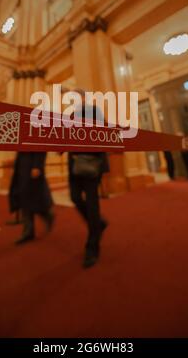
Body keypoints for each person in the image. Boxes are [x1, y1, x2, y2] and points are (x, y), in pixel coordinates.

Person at [68, 90, 110, 268]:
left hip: (92, 163)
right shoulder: (70, 114)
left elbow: (104, 132)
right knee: (75, 197)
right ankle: (98, 224)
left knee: (92, 204)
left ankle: (92, 247)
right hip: (74, 163)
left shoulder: (95, 111)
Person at [9, 151, 54, 244]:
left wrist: (37, 165)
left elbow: (41, 145)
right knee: (23, 197)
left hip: (32, 164)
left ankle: (47, 215)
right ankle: (28, 232)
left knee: (34, 197)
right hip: (22, 162)